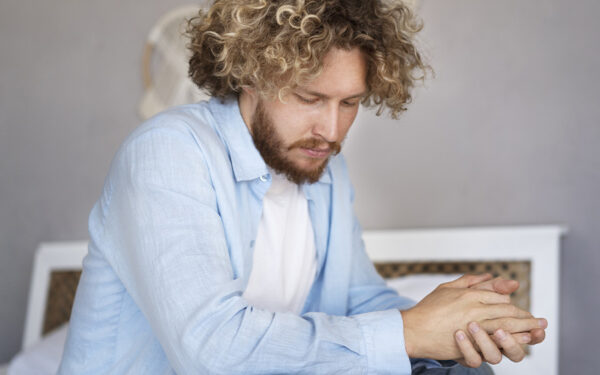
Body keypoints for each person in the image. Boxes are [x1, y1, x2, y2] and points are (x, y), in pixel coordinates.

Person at [58, 0, 547, 374]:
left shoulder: (322, 169)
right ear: (249, 75)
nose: (332, 131)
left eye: (350, 102)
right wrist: (407, 333)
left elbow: (358, 301)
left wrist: (455, 319)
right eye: (309, 98)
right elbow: (210, 347)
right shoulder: (168, 152)